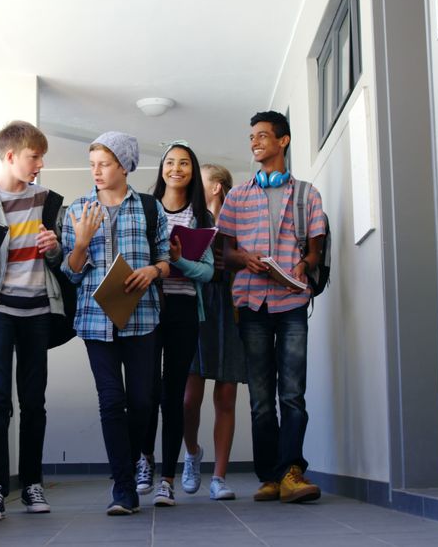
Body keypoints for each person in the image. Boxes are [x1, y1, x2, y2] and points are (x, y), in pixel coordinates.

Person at [216, 111, 326, 503]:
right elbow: (224, 251)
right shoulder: (237, 196)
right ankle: (270, 476)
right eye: (251, 137)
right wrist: (243, 259)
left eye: (263, 136)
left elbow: (314, 251)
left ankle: (292, 471)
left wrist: (302, 265)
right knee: (261, 397)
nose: (255, 142)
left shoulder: (307, 194)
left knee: (292, 393)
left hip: (292, 301)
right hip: (252, 304)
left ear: (284, 141)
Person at [60, 131, 172, 515]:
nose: (96, 171)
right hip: (95, 322)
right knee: (111, 402)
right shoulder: (77, 210)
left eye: (104, 164)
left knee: (143, 401)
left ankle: (142, 453)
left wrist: (152, 272)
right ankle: (123, 488)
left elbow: (166, 258)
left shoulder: (148, 207)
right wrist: (80, 242)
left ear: (124, 166)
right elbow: (71, 274)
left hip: (142, 319)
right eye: (92, 164)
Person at [0, 120, 64, 521]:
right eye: (33, 157)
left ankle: (33, 484)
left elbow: (62, 264)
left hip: (38, 311)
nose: (39, 165)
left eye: (41, 157)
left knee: (34, 401)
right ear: (10, 156)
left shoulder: (48, 201)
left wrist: (54, 248)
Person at [137, 142, 215, 507]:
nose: (176, 168)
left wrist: (180, 262)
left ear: (192, 170)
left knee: (173, 396)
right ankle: (144, 461)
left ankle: (167, 477)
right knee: (146, 392)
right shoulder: (144, 208)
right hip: (149, 306)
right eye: (170, 162)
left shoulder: (200, 216)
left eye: (184, 163)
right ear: (162, 169)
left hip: (184, 309)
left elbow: (209, 271)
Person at [181, 162, 248, 501]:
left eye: (201, 181)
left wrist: (234, 257)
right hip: (196, 306)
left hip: (231, 307)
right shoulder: (189, 219)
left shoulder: (237, 222)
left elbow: (249, 258)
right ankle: (192, 453)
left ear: (218, 186)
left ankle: (219, 477)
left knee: (225, 396)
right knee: (188, 398)